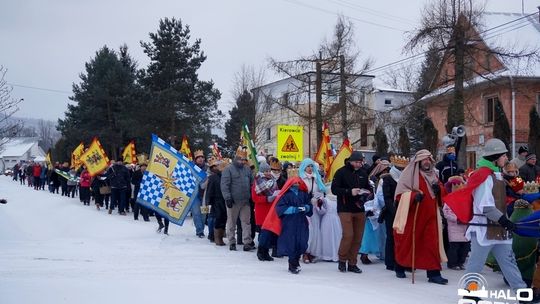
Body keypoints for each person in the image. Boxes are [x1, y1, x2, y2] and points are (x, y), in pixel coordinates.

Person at [445, 138, 531, 300]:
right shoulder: (484, 176)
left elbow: (500, 200)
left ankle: (522, 294)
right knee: (476, 265)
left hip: (497, 228)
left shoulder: (495, 174)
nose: (506, 158)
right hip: (483, 229)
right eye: (504, 155)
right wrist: (505, 221)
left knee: (508, 261)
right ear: (495, 156)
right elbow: (485, 206)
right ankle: (470, 295)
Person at [393, 149, 448, 284]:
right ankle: (400, 265)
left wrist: (439, 190)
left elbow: (442, 191)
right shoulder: (410, 174)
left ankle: (434, 273)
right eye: (424, 160)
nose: (427, 162)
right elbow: (400, 195)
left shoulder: (434, 175)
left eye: (429, 159)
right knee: (410, 242)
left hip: (431, 216)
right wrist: (412, 196)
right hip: (414, 216)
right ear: (418, 161)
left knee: (431, 243)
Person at [331, 151, 372, 274]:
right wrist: (350, 192)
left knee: (358, 237)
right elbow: (334, 189)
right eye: (357, 162)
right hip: (345, 208)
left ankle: (353, 262)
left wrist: (366, 194)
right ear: (351, 161)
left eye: (361, 162)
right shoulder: (341, 172)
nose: (359, 164)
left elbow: (369, 188)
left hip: (359, 208)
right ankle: (342, 260)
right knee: (348, 235)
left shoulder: (363, 174)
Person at [262, 177, 313, 274]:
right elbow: (280, 208)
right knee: (291, 242)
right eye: (295, 183)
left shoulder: (303, 194)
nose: (297, 184)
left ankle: (296, 261)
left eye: (298, 183)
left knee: (301, 241)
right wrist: (294, 209)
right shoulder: (285, 195)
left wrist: (306, 208)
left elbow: (309, 205)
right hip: (289, 223)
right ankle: (292, 264)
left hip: (301, 222)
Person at [220, 147, 255, 252]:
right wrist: (227, 198)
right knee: (231, 222)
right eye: (241, 159)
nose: (242, 161)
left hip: (245, 201)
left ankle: (247, 242)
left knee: (246, 222)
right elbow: (224, 185)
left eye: (244, 159)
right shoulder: (228, 169)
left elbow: (252, 183)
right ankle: (232, 241)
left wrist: (252, 196)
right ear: (236, 159)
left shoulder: (247, 169)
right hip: (233, 200)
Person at [380, 155, 409, 271]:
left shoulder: (406, 179)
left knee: (403, 237)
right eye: (400, 168)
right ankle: (390, 262)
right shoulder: (388, 178)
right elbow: (386, 198)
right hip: (391, 212)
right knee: (391, 237)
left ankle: (403, 261)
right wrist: (394, 210)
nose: (402, 170)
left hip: (404, 210)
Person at [299, 158, 326, 263]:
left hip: (314, 209)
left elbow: (321, 191)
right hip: (304, 208)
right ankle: (305, 252)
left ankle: (312, 252)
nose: (310, 168)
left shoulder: (317, 178)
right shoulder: (301, 179)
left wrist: (319, 199)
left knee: (315, 230)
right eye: (308, 166)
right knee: (307, 230)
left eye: (311, 166)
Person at [252, 162, 279, 261]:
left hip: (271, 210)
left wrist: (276, 196)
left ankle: (266, 252)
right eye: (266, 171)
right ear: (262, 171)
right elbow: (255, 198)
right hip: (262, 211)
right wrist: (267, 199)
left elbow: (276, 191)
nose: (268, 173)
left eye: (269, 170)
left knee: (269, 233)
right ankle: (261, 252)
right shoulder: (257, 181)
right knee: (264, 233)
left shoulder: (273, 180)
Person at [442, 176, 469, 270]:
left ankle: (461, 262)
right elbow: (446, 212)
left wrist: (467, 218)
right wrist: (456, 219)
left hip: (465, 226)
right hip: (454, 226)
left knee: (465, 247)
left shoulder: (466, 199)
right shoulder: (449, 199)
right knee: (454, 246)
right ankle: (452, 263)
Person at [205, 159, 228, 246]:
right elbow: (209, 191)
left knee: (223, 218)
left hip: (224, 200)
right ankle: (215, 237)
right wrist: (209, 202)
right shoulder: (212, 178)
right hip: (216, 201)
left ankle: (220, 237)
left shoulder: (226, 177)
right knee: (215, 218)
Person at [318, 183, 342, 262]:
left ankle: (337, 254)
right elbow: (322, 211)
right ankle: (327, 255)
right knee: (327, 237)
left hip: (337, 220)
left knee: (337, 236)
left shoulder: (339, 199)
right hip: (327, 220)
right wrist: (319, 206)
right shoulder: (325, 199)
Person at [192, 150, 207, 238]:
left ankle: (202, 228)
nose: (201, 159)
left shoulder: (208, 168)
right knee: (196, 213)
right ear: (196, 159)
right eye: (199, 158)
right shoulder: (192, 168)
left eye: (202, 158)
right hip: (195, 195)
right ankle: (199, 231)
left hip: (205, 195)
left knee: (204, 214)